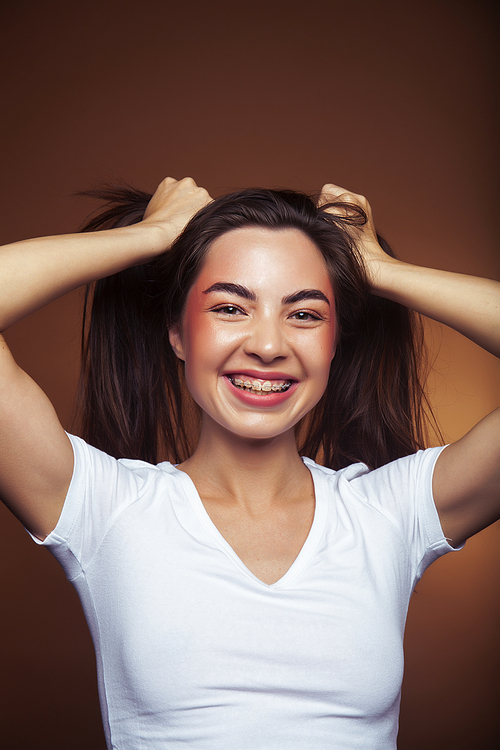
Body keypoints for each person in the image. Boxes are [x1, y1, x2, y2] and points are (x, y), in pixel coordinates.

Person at [0, 177, 498, 749]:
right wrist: (154, 235)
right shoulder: (105, 507)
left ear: (336, 340)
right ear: (178, 332)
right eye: (231, 307)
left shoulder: (391, 512)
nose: (267, 344)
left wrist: (375, 268)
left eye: (305, 315)